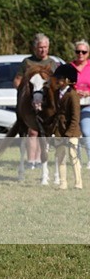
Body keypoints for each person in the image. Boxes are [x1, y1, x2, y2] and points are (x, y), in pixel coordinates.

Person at [13, 33, 60, 169]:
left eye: (45, 47)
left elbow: (56, 83)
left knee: (43, 132)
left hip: (46, 103)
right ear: (35, 48)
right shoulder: (27, 62)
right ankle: (31, 160)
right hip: (29, 102)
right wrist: (22, 91)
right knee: (32, 130)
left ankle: (40, 160)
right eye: (40, 48)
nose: (43, 50)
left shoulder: (52, 63)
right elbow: (17, 80)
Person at [51, 64, 83, 190]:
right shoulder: (56, 93)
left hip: (72, 131)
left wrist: (69, 134)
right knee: (60, 156)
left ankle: (78, 182)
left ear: (67, 80)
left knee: (72, 155)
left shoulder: (73, 95)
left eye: (60, 78)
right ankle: (63, 182)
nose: (57, 80)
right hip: (59, 130)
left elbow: (75, 117)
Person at [70, 39, 90, 168]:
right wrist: (74, 92)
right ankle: (76, 161)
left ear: (88, 53)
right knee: (73, 134)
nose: (80, 54)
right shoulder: (69, 67)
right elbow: (62, 85)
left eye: (83, 52)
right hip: (72, 105)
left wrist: (88, 93)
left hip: (87, 105)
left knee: (87, 131)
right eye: (78, 51)